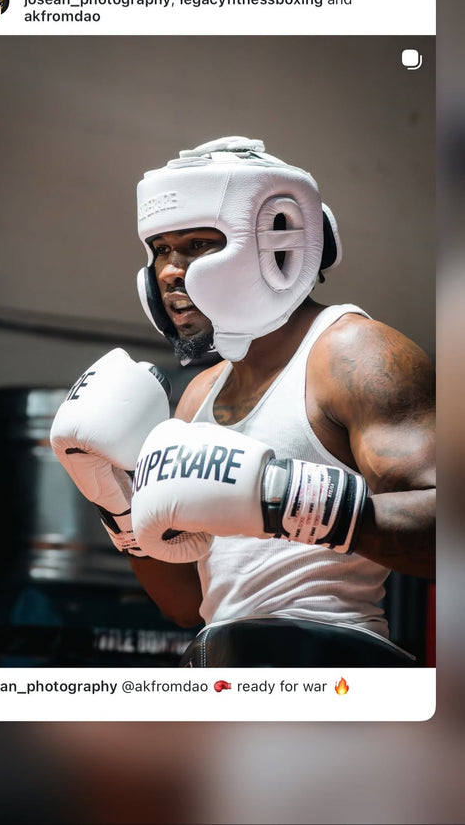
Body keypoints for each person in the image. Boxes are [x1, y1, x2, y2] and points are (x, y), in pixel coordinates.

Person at [51, 137, 435, 667]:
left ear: (276, 247)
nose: (169, 271)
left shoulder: (352, 352)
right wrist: (114, 501)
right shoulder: (198, 395)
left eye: (198, 245)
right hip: (223, 668)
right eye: (161, 248)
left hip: (333, 668)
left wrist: (287, 500)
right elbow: (186, 604)